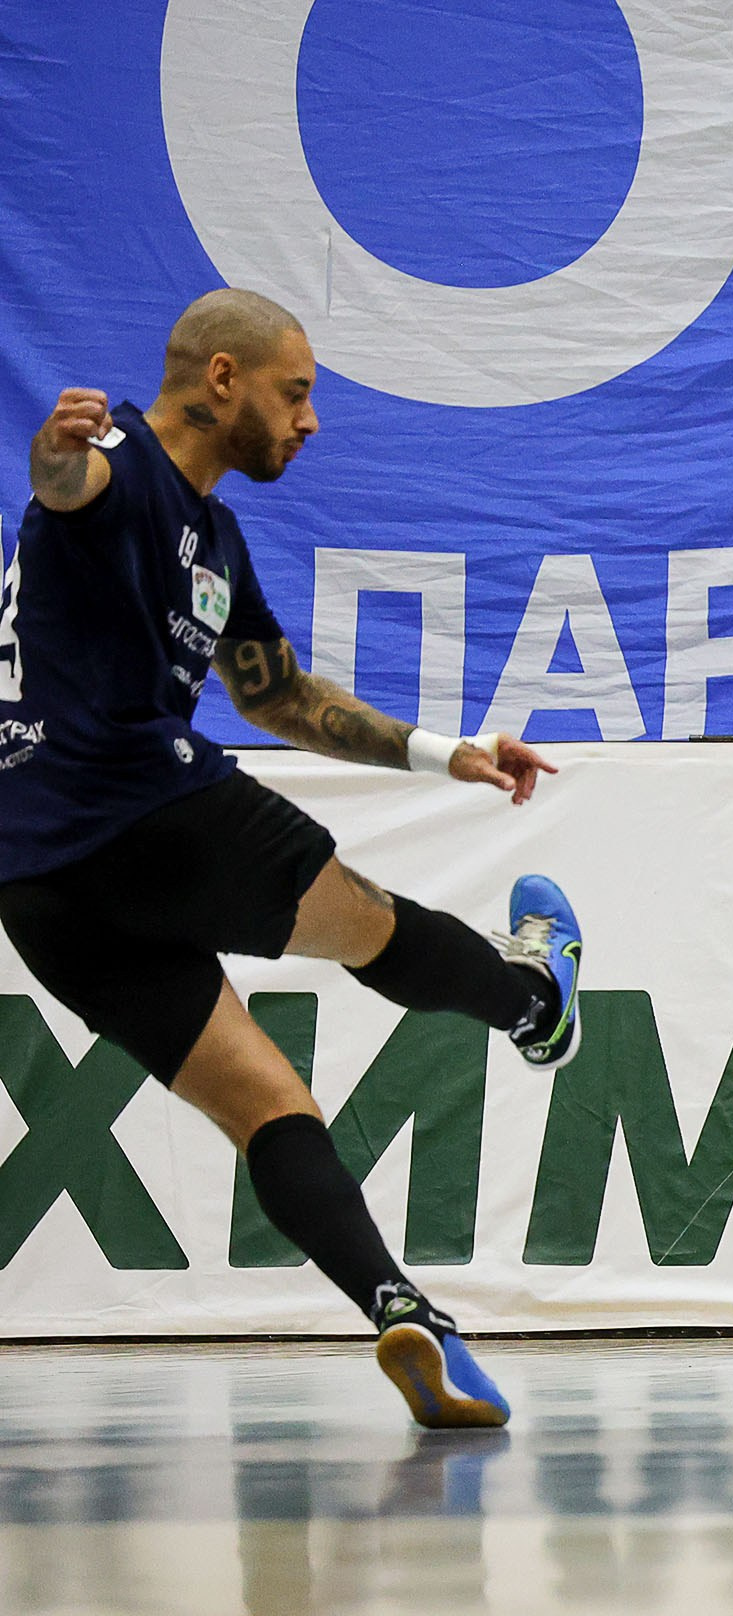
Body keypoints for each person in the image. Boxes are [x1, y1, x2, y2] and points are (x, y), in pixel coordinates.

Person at [6, 288, 584, 1425]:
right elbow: (68, 491)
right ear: (223, 379)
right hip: (140, 809)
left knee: (266, 1101)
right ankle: (533, 1005)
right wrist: (50, 455)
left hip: (35, 881)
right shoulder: (123, 465)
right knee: (365, 921)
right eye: (296, 391)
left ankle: (408, 1317)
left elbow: (281, 700)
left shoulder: (213, 539)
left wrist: (444, 753)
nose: (310, 420)